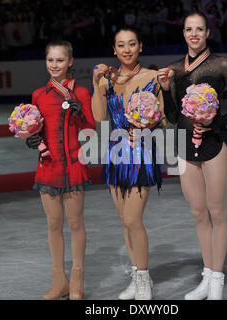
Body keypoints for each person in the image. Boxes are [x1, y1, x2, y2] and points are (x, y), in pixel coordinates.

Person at [157, 11, 227, 300]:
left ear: (208, 32)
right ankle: (207, 278)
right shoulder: (173, 69)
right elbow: (172, 117)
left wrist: (214, 122)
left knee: (217, 211)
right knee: (198, 213)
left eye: (199, 29)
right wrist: (163, 89)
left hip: (214, 144)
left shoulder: (221, 64)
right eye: (188, 29)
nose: (193, 34)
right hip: (185, 145)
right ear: (183, 33)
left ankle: (217, 282)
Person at [91, 28, 168, 300]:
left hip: (142, 153)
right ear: (114, 50)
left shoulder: (151, 77)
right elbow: (100, 120)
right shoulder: (106, 82)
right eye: (121, 45)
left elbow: (165, 120)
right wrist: (95, 83)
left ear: (140, 47)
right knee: (124, 222)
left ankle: (145, 280)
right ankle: (136, 278)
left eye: (132, 44)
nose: (126, 49)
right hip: (116, 153)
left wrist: (147, 128)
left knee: (133, 218)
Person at [24, 40, 95, 300]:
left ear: (70, 62)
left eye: (60, 60)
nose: (55, 65)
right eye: (50, 60)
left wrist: (81, 115)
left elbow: (90, 131)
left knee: (75, 223)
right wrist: (32, 139)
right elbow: (35, 128)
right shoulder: (38, 95)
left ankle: (76, 279)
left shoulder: (82, 93)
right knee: (54, 223)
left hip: (74, 164)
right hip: (49, 166)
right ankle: (59, 280)